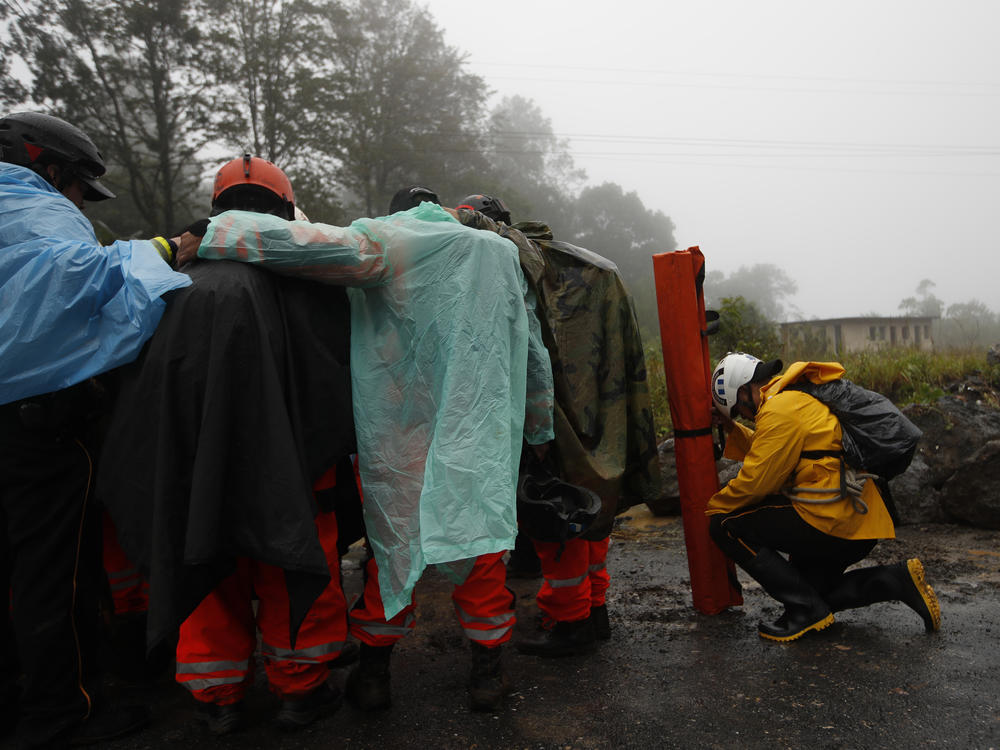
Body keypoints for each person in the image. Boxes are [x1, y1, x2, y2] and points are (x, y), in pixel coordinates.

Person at [193, 200, 555, 712]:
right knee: (480, 550)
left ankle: (374, 675)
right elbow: (532, 349)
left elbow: (300, 245)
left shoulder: (392, 242)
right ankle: (486, 672)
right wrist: (540, 428)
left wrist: (211, 233)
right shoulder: (498, 256)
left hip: (398, 432)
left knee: (392, 552)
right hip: (479, 431)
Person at [0, 111, 190, 748]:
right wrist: (166, 250)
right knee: (54, 573)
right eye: (79, 186)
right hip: (37, 431)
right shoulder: (29, 205)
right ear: (47, 167)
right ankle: (62, 710)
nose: (78, 201)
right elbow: (75, 283)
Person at [165, 156, 349, 734]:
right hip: (299, 466)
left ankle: (217, 698)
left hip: (202, 465)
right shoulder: (315, 280)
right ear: (289, 210)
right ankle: (301, 690)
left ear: (215, 212)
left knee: (209, 563)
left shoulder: (180, 282)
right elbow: (339, 375)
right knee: (297, 562)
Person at [455, 194, 662, 658]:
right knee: (593, 511)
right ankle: (595, 609)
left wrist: (537, 427)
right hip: (602, 414)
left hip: (551, 419)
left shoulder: (511, 264)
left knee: (556, 520)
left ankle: (571, 622)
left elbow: (529, 357)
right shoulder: (587, 266)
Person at [706, 353, 941, 642]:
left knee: (725, 525)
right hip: (858, 520)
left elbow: (757, 482)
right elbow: (772, 446)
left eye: (739, 412)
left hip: (830, 518)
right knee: (809, 591)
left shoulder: (780, 408)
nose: (745, 416)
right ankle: (895, 581)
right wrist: (731, 428)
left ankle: (805, 612)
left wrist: (711, 509)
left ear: (742, 391)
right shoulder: (794, 399)